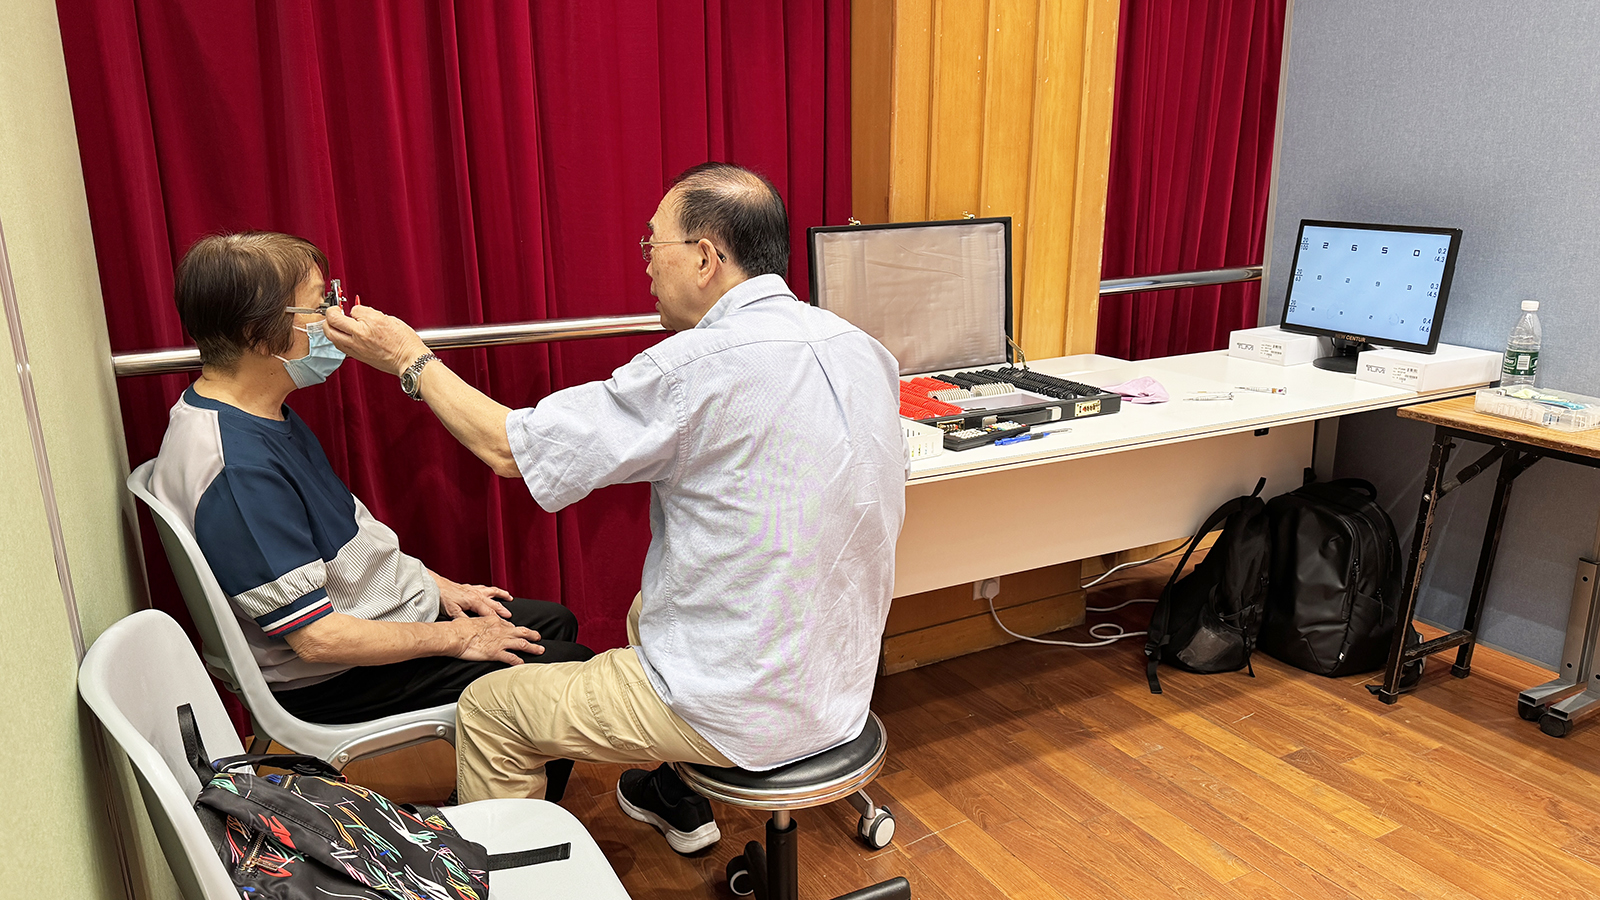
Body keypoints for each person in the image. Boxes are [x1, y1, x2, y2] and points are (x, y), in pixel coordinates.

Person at [324, 163, 906, 854]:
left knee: (489, 710)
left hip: (741, 706)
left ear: (705, 258)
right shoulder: (861, 347)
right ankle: (674, 793)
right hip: (840, 683)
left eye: (652, 245)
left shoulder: (691, 367)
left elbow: (511, 449)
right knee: (643, 610)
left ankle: (511, 881)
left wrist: (410, 360)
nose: (646, 265)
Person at [149, 233, 593, 796]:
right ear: (257, 333)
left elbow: (348, 541)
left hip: (362, 621)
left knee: (553, 623)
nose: (336, 317)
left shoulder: (257, 414)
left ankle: (508, 797)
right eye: (320, 305)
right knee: (566, 671)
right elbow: (318, 639)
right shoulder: (236, 469)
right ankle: (504, 820)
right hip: (329, 676)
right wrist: (457, 639)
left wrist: (438, 588)